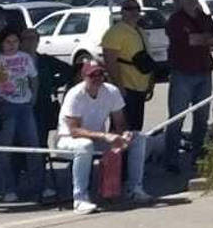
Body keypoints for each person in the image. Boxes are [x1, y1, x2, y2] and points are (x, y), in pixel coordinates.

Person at [56, 61, 152, 214]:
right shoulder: (74, 95)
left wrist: (124, 134)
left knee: (138, 138)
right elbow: (74, 131)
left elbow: (120, 122)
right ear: (83, 76)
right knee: (84, 145)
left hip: (99, 140)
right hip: (67, 141)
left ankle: (135, 188)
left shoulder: (111, 91)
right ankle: (80, 198)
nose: (97, 78)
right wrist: (104, 136)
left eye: (101, 74)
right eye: (92, 75)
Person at [164, 0, 213, 173]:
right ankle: (171, 160)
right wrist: (204, 38)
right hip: (182, 74)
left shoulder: (204, 17)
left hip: (204, 72)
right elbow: (188, 41)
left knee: (201, 119)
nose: (191, 1)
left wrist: (200, 38)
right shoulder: (175, 20)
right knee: (177, 119)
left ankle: (198, 157)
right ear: (181, 0)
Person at [0, 29, 40, 204]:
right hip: (4, 105)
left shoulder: (26, 57)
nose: (11, 45)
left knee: (33, 146)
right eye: (8, 41)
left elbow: (34, 78)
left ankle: (37, 186)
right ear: (1, 42)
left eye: (15, 41)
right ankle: (7, 188)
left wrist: (33, 96)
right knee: (5, 149)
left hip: (24, 105)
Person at [23, 28, 73, 203]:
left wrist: (53, 83)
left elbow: (70, 71)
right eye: (26, 38)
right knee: (17, 150)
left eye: (33, 38)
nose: (30, 41)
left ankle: (40, 185)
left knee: (39, 146)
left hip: (42, 109)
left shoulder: (44, 60)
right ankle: (20, 186)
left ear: (38, 40)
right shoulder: (13, 60)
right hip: (18, 109)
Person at [100, 0, 156, 130]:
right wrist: (119, 87)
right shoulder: (115, 32)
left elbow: (147, 58)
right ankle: (118, 151)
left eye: (136, 8)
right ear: (122, 11)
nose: (133, 11)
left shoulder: (140, 30)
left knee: (135, 128)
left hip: (140, 87)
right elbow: (110, 62)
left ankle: (132, 151)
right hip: (126, 88)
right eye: (129, 8)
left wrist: (150, 84)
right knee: (121, 128)